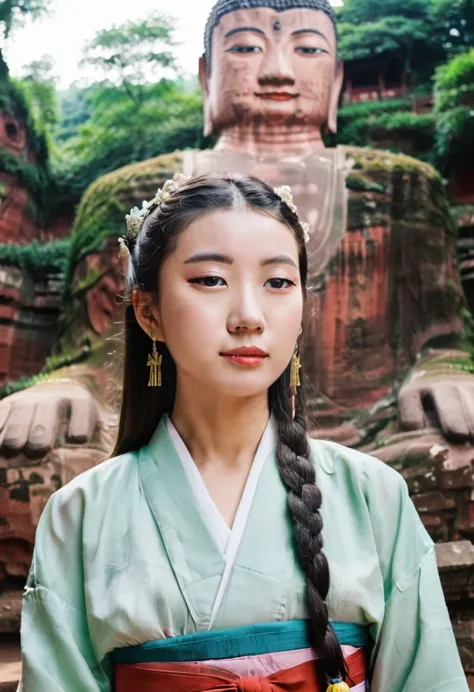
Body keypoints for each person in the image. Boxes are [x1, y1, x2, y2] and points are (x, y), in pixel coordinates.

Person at [19, 173, 468, 691]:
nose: (249, 316)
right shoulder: (79, 515)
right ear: (148, 312)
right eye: (211, 279)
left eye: (278, 282)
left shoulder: (374, 496)